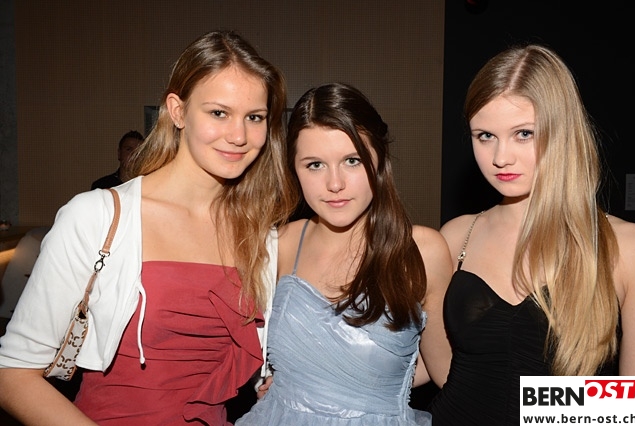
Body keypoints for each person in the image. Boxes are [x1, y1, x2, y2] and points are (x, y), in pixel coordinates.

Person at [0, 30, 294, 425]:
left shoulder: (260, 234)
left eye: (254, 117)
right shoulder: (96, 216)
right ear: (177, 111)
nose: (239, 136)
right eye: (218, 113)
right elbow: (13, 374)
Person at [427, 43, 635, 425]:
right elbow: (444, 373)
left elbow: (630, 404)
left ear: (563, 132)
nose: (500, 157)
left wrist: (531, 407)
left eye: (523, 133)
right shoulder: (457, 235)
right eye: (484, 136)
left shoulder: (626, 247)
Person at [235, 82, 452, 425]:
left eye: (352, 161)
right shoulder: (281, 243)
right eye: (314, 165)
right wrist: (295, 383)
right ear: (294, 169)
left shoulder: (421, 251)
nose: (334, 184)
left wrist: (363, 389)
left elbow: (447, 370)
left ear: (379, 159)